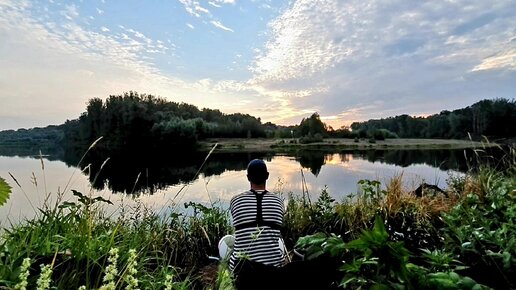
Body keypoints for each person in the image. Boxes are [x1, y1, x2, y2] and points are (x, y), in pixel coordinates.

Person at [221, 159, 286, 289]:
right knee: (279, 240)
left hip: (243, 273)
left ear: (248, 178)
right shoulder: (279, 202)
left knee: (226, 242)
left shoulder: (236, 200)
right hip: (274, 272)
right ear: (267, 176)